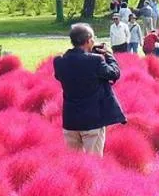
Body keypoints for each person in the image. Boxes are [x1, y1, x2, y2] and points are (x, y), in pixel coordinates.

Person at [53, 22, 126, 156]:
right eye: (92, 39)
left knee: (74, 164)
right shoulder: (96, 61)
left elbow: (67, 73)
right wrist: (109, 55)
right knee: (94, 164)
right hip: (92, 122)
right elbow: (114, 73)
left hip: (70, 122)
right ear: (87, 40)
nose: (93, 41)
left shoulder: (59, 61)